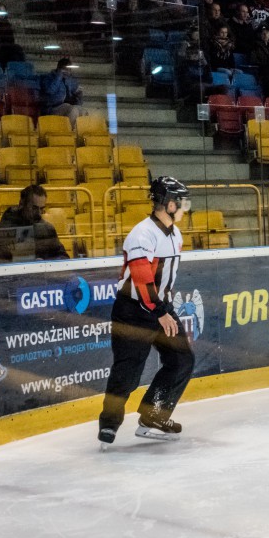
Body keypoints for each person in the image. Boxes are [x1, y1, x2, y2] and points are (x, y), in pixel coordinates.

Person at [98, 177, 195, 448]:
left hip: (160, 308)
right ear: (170, 204)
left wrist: (164, 309)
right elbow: (142, 278)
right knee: (127, 371)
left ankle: (154, 415)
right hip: (132, 312)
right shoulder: (142, 234)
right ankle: (109, 423)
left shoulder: (175, 234)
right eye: (182, 202)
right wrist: (161, 311)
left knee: (182, 359)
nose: (185, 207)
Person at [0, 185, 69, 264]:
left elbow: (63, 257)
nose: (39, 213)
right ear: (21, 204)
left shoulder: (47, 229)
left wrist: (45, 263)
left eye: (42, 209)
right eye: (34, 208)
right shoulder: (1, 230)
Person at [39, 58, 83, 124]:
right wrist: (59, 76)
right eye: (65, 69)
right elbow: (50, 90)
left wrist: (79, 96)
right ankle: (66, 129)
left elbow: (77, 100)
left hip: (67, 106)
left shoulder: (70, 80)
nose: (67, 72)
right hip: (52, 108)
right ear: (59, 69)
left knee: (83, 111)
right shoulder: (48, 77)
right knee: (72, 110)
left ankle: (75, 129)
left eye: (69, 70)